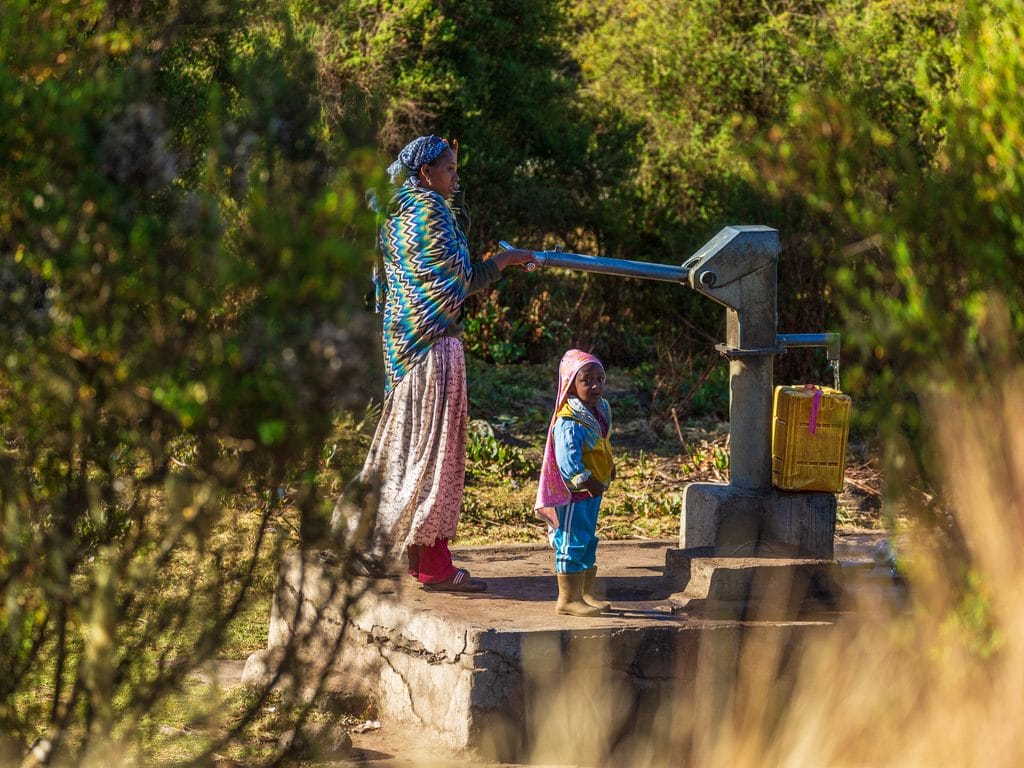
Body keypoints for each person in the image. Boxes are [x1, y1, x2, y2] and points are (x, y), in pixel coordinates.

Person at [334, 134, 535, 593]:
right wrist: (501, 261)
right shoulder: (429, 211)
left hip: (405, 347)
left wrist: (501, 262)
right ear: (425, 173)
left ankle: (374, 544)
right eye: (449, 169)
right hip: (433, 349)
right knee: (433, 457)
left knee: (404, 450)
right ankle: (432, 565)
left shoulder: (396, 212)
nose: (455, 177)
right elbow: (453, 286)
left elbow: (438, 282)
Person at [535, 349, 615, 616]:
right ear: (571, 383)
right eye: (588, 380)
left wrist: (608, 470)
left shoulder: (600, 409)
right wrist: (586, 480)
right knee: (571, 540)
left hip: (594, 490)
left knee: (588, 539)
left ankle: (584, 592)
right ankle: (567, 599)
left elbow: (603, 445)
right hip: (574, 494)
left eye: (600, 379)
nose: (596, 386)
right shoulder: (569, 421)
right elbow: (568, 462)